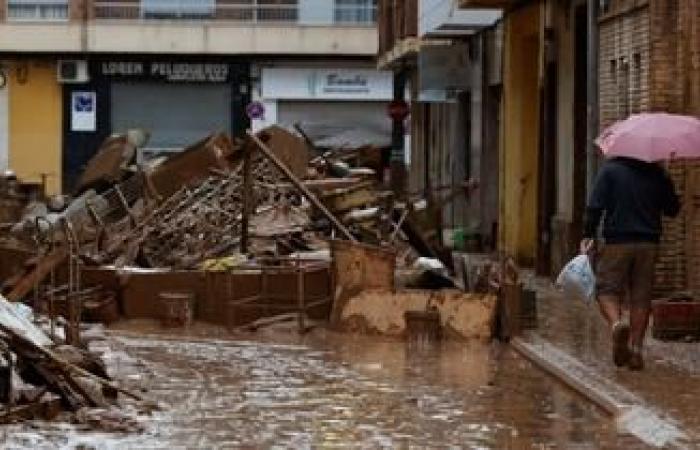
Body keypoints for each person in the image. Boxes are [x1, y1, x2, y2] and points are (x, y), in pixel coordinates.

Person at [581, 156, 680, 371]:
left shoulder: (610, 171)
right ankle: (635, 350)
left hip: (618, 241)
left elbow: (594, 206)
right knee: (641, 297)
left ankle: (617, 325)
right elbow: (673, 209)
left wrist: (588, 234)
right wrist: (666, 181)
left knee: (606, 290)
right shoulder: (657, 174)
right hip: (649, 244)